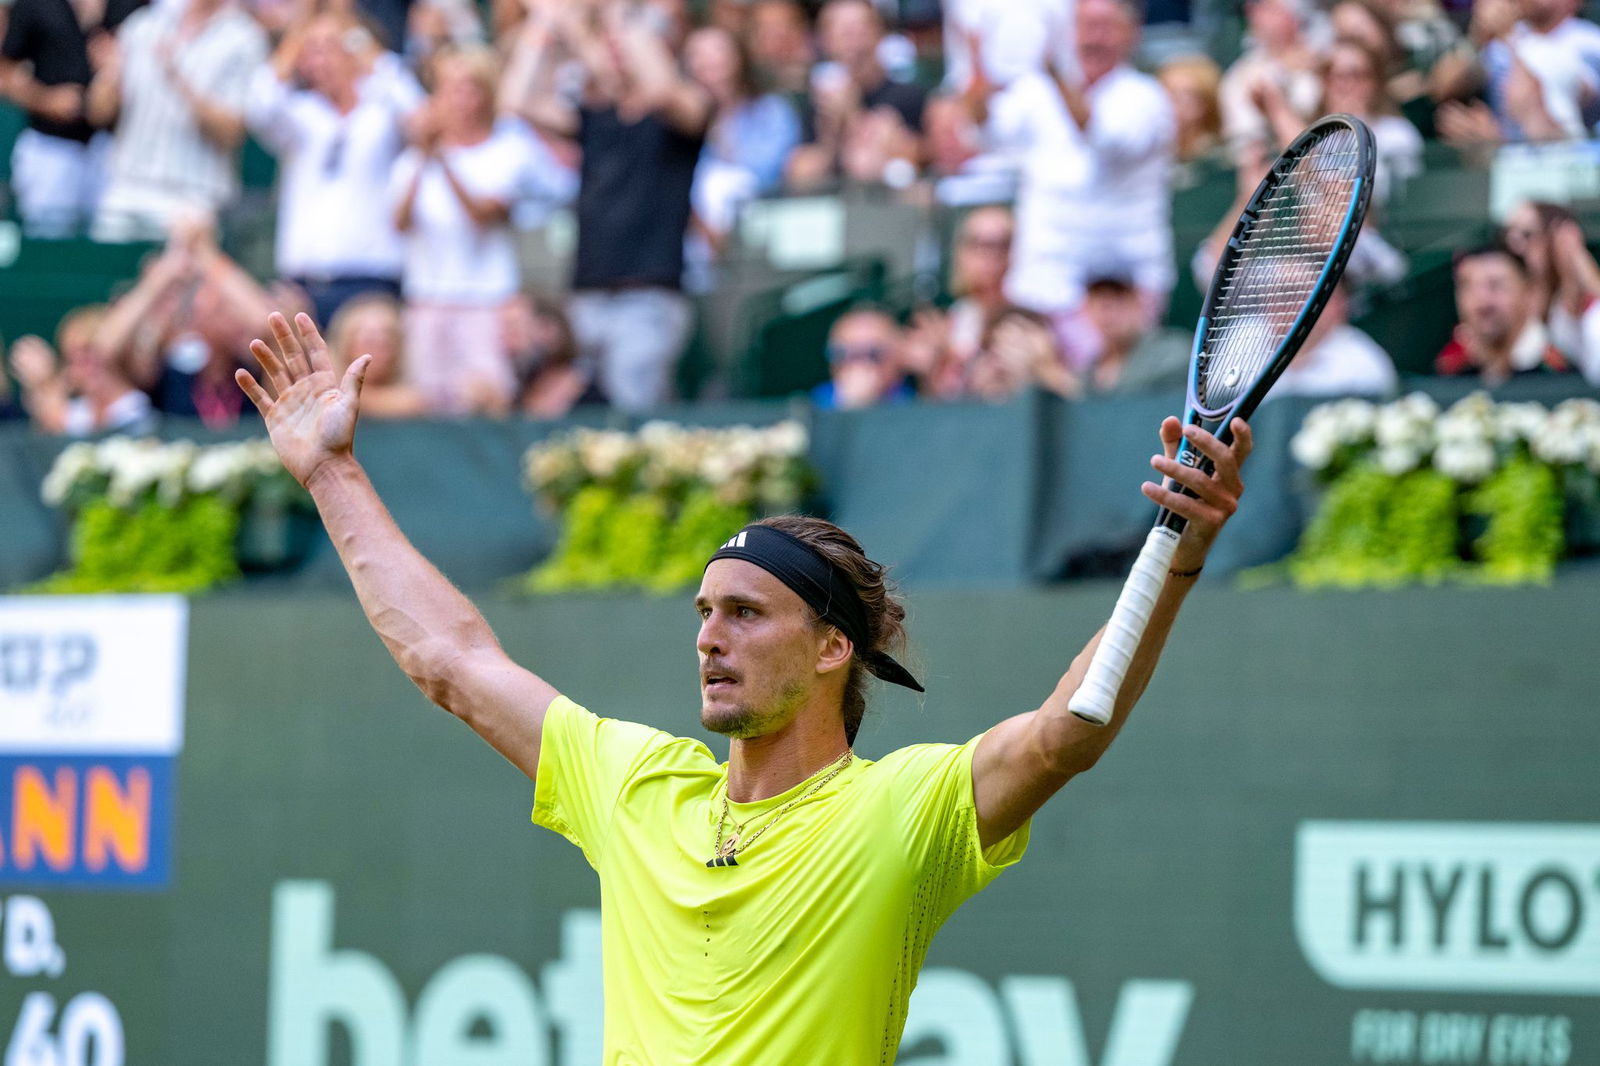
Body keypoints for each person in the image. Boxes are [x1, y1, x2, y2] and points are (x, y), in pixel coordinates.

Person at [235, 308, 1253, 1062]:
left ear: (828, 648)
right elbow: (451, 662)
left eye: (745, 612)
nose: (709, 637)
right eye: (702, 614)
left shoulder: (899, 812)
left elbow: (1061, 734)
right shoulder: (635, 783)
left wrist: (1179, 555)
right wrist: (331, 474)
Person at [504, 0, 709, 413]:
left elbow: (663, 90)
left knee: (633, 414)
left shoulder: (682, 113)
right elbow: (516, 101)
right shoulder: (595, 119)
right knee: (590, 419)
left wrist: (620, 15)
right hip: (587, 295)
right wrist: (544, 22)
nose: (617, 52)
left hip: (647, 296)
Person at [987, 0, 1177, 322]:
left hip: (1121, 287)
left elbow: (1105, 140)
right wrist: (986, 55)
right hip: (1043, 280)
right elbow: (985, 130)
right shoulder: (1033, 90)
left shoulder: (1147, 97)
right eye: (1086, 26)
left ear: (1132, 34)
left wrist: (1055, 71)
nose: (1094, 38)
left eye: (1106, 27)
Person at [248, 10, 423, 326]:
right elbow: (261, 104)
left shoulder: (382, 110)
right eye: (311, 50)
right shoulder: (300, 115)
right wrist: (295, 39)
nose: (320, 59)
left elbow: (417, 116)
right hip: (303, 284)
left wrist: (359, 40)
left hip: (372, 280)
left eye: (330, 46)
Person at [390, 45, 530, 415]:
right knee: (428, 404)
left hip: (484, 300)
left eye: (468, 88)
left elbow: (483, 213)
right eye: (449, 88)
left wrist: (444, 159)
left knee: (489, 399)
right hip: (428, 297)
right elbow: (399, 222)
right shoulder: (414, 159)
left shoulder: (507, 149)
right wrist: (423, 155)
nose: (457, 98)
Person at [86, 0, 267, 240]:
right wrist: (107, 79)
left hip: (193, 198)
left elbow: (231, 133)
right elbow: (97, 113)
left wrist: (179, 80)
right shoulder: (143, 24)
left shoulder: (245, 38)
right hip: (125, 190)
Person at [0, 0, 139, 236]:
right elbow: (5, 72)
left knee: (113, 239)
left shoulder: (131, 6)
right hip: (52, 145)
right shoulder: (35, 6)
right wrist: (46, 100)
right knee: (48, 240)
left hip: (116, 149)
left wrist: (115, 71)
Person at [787, 0, 926, 189]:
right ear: (826, 42)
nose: (854, 42)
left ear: (879, 33)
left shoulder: (909, 97)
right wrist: (833, 134)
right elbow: (801, 175)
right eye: (844, 33)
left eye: (861, 30)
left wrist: (853, 115)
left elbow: (916, 159)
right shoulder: (819, 104)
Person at [8, 306, 156, 435]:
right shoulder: (79, 411)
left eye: (87, 355)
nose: (81, 368)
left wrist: (46, 382)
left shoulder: (135, 407)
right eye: (72, 360)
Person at [1436, 244, 1570, 385]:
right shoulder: (1450, 372)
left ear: (1530, 293)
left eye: (1496, 285)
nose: (1482, 301)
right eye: (1467, 286)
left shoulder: (1558, 373)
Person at [1271, 286, 1398, 397]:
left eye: (1299, 295)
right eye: (1282, 295)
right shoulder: (1253, 336)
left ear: (1340, 304)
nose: (1291, 306)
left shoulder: (1363, 363)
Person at [324, 292, 428, 418]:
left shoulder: (410, 395)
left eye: (383, 344)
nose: (373, 354)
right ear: (345, 345)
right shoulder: (324, 385)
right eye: (367, 342)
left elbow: (412, 402)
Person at [810, 306, 914, 409]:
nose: (857, 365)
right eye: (841, 354)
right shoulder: (815, 405)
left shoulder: (916, 399)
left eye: (872, 354)